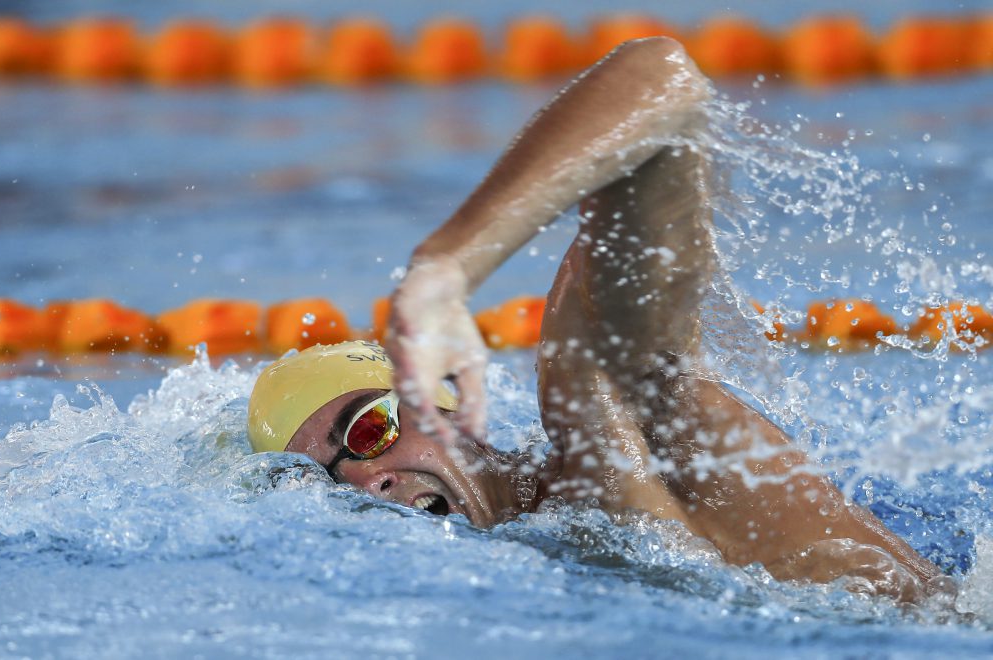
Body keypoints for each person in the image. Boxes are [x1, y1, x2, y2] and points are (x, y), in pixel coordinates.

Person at [247, 38, 942, 602]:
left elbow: (659, 78)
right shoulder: (535, 557)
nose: (370, 486)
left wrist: (448, 265)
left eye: (369, 431)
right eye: (327, 485)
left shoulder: (602, 420)